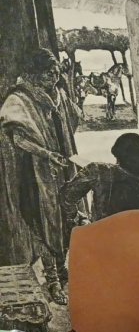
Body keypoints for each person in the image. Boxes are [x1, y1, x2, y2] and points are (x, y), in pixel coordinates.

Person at [0, 49, 82, 304]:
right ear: (34, 74)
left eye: (56, 71)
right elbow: (19, 139)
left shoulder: (59, 95)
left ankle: (61, 268)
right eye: (49, 72)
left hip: (64, 167)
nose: (54, 76)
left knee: (67, 217)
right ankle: (53, 280)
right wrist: (47, 154)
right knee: (45, 223)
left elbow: (73, 120)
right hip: (35, 173)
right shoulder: (19, 99)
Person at [62, 132, 139, 221]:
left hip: (102, 237)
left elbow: (67, 196)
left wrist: (80, 218)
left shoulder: (97, 170)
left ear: (117, 155)